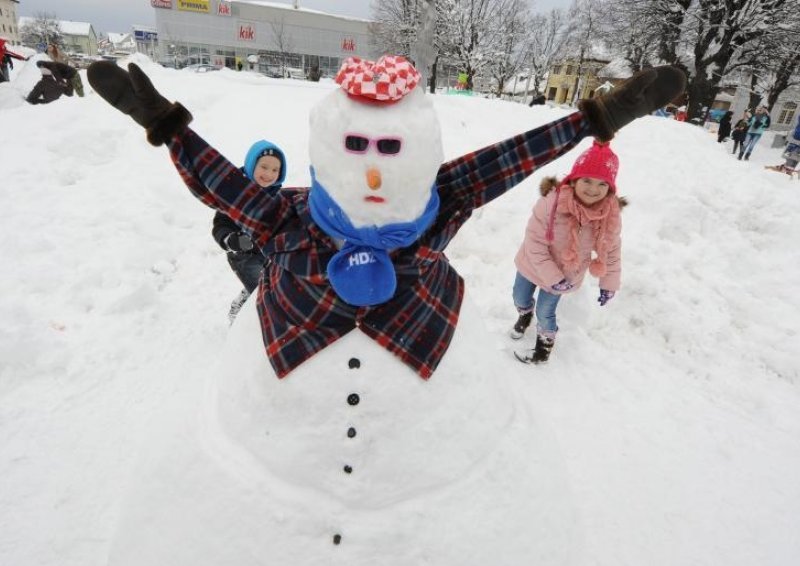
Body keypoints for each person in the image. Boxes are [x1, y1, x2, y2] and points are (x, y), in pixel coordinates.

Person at [86, 58, 684, 379]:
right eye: (356, 153)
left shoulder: (438, 205)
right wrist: (169, 129)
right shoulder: (289, 217)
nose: (373, 178)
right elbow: (225, 188)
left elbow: (507, 160)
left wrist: (591, 121)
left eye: (392, 153)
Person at [510, 141, 624, 364]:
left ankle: (543, 349)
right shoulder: (552, 203)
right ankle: (524, 315)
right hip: (532, 264)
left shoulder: (608, 214)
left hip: (566, 272)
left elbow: (611, 249)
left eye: (602, 184)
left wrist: (609, 283)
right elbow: (534, 242)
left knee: (546, 311)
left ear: (610, 188)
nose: (593, 190)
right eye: (587, 180)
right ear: (574, 178)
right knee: (519, 296)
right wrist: (553, 277)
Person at [212, 140, 287, 321]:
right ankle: (244, 307)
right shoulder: (233, 195)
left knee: (279, 285)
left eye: (275, 170)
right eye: (264, 167)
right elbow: (220, 225)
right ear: (251, 165)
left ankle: (251, 291)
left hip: (268, 250)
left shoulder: (277, 196)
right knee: (263, 291)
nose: (269, 174)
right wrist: (231, 240)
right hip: (243, 254)